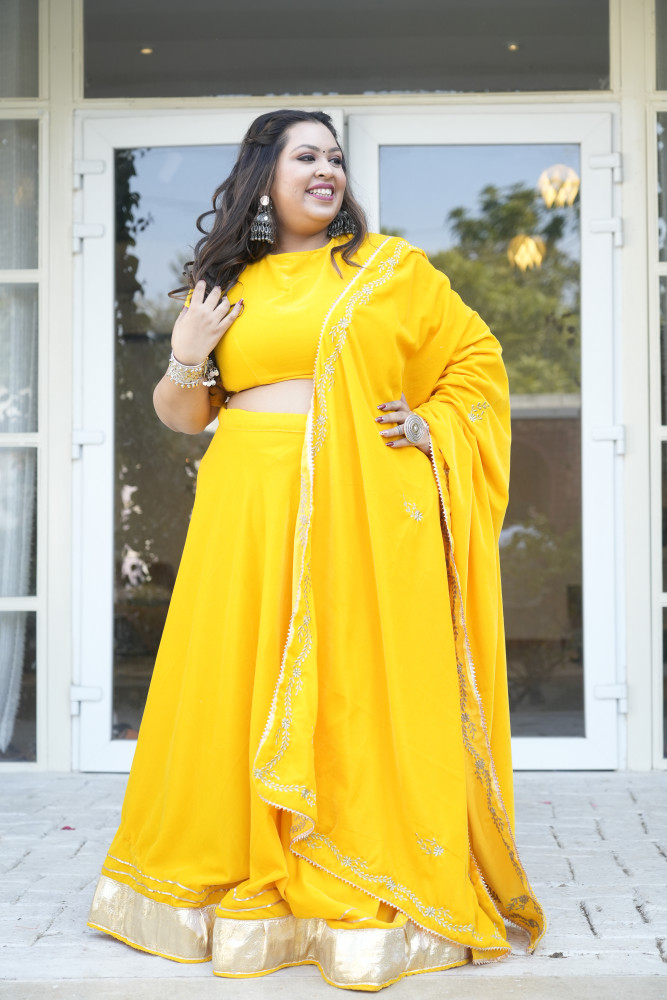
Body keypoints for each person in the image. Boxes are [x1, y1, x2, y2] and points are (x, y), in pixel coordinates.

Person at [88, 109, 545, 991]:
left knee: (351, 682)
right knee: (240, 678)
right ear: (264, 174)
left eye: (335, 157)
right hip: (246, 505)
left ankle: (351, 872)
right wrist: (186, 354)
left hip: (363, 504)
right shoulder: (226, 283)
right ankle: (238, 869)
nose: (326, 170)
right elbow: (186, 416)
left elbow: (475, 363)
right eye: (306, 155)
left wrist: (430, 426)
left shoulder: (390, 270)